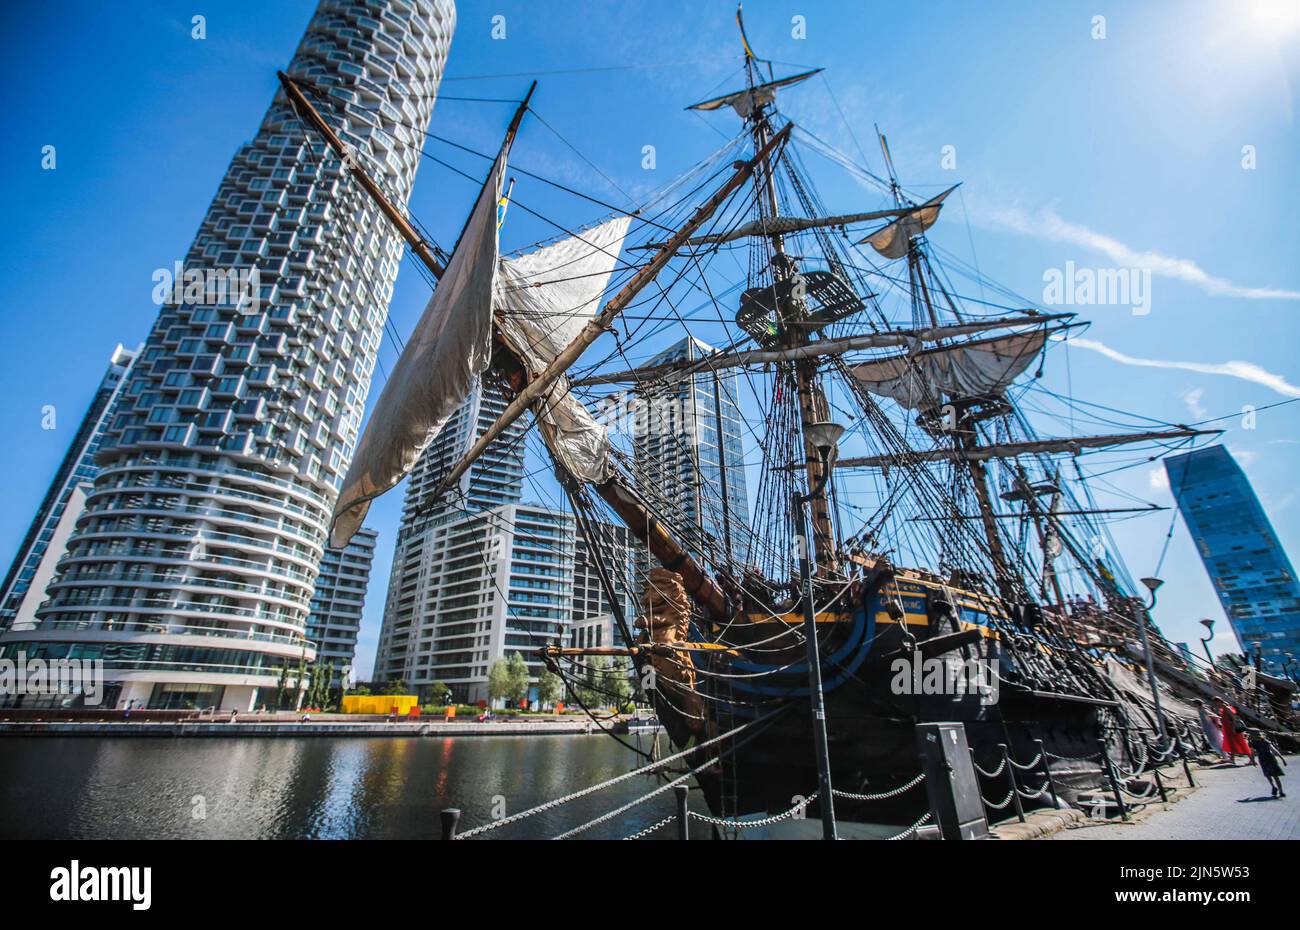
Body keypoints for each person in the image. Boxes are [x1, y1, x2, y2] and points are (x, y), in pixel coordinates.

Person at [1246, 729, 1287, 797]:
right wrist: (1282, 759)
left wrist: (1253, 761)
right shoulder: (1265, 741)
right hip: (1270, 758)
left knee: (1268, 775)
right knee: (1275, 776)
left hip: (1263, 759)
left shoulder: (1252, 743)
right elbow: (1274, 750)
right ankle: (1281, 791)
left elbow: (1252, 753)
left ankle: (1273, 786)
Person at [1214, 698, 1253, 765]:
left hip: (1232, 728)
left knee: (1241, 743)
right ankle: (1232, 759)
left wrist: (1233, 728)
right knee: (1231, 743)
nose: (1216, 705)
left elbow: (1234, 718)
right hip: (1227, 729)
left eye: (1216, 703)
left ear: (1219, 702)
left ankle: (1251, 759)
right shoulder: (1222, 709)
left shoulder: (1227, 708)